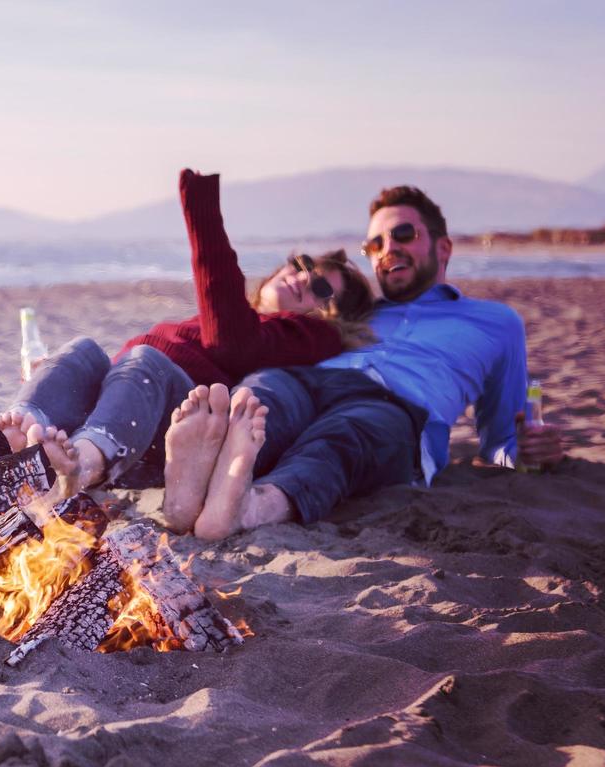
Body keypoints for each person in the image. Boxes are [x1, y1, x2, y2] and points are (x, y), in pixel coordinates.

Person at [167, 184, 566, 540]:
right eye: (374, 245)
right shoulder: (350, 315)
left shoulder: (497, 323)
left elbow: (498, 446)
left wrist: (527, 452)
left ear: (443, 248)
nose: (387, 248)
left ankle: (255, 507)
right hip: (307, 380)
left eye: (403, 235)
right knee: (260, 394)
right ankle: (201, 487)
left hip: (395, 405)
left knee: (343, 438)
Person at [0, 169, 375, 532]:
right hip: (125, 413)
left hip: (168, 434)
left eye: (323, 289)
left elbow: (232, 342)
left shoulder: (310, 333)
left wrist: (202, 209)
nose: (305, 278)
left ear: (333, 313)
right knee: (82, 351)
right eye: (303, 264)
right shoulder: (241, 317)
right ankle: (12, 442)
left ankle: (79, 466)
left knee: (146, 360)